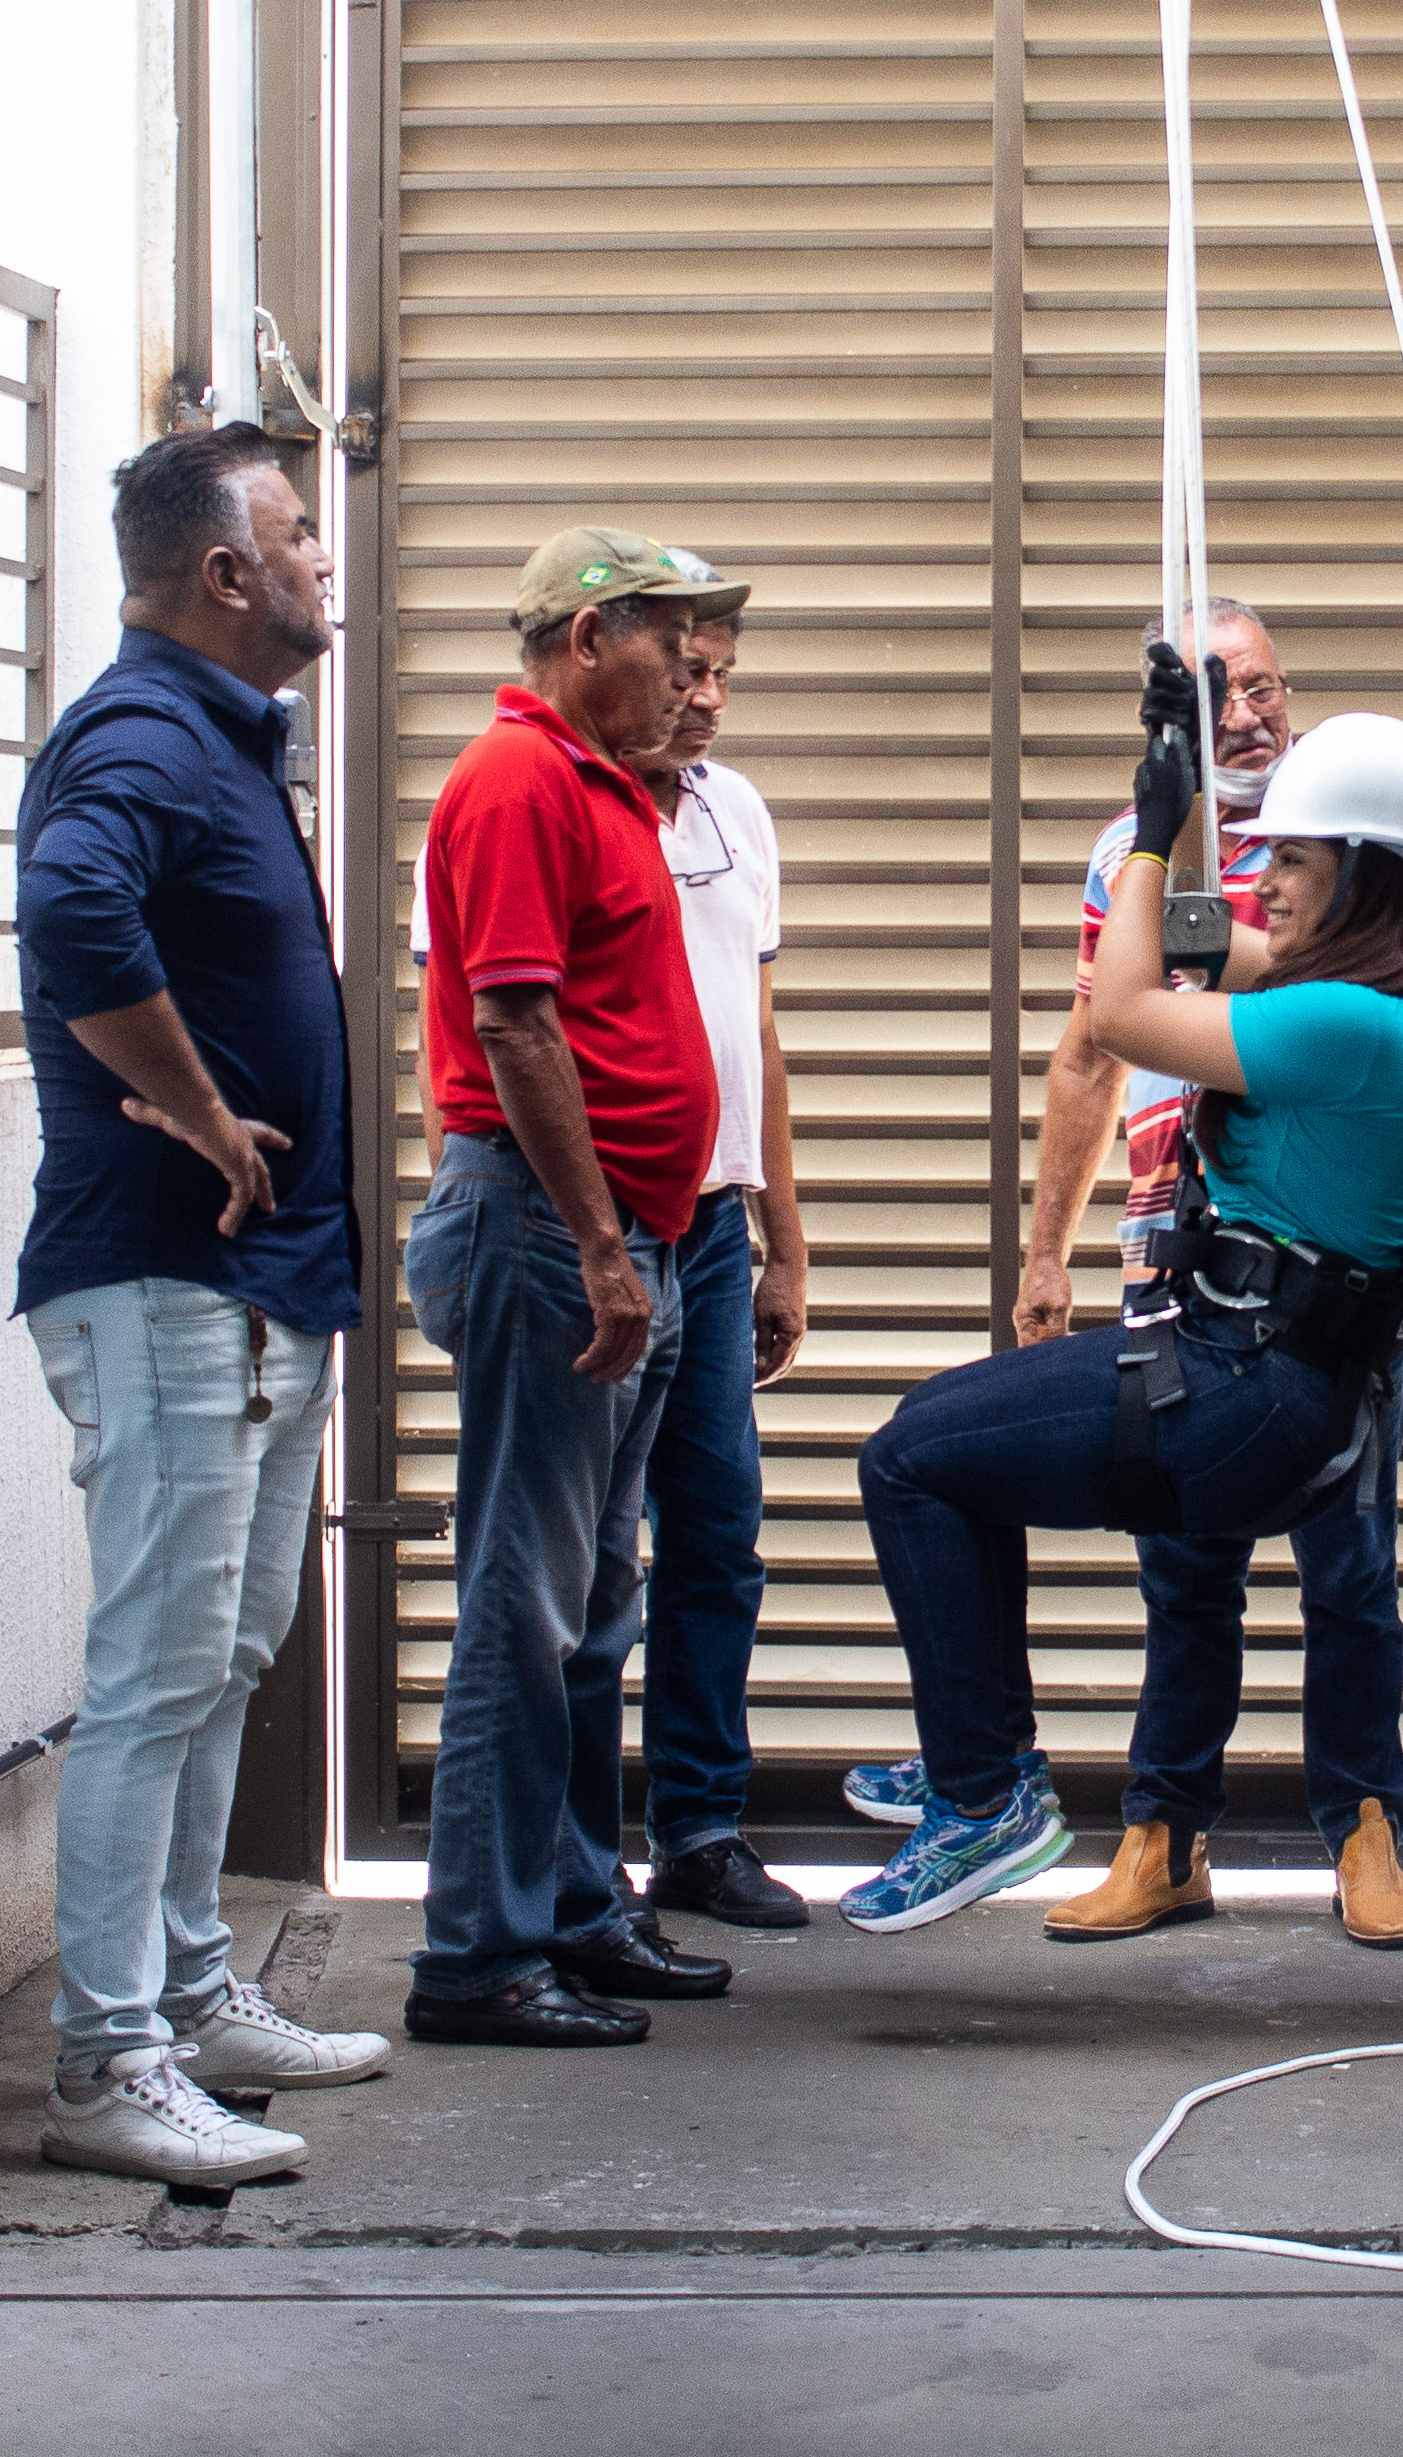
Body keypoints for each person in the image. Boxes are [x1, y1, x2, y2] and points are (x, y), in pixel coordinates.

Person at [841, 678, 1403, 1934]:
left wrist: (1145, 830)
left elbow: (1125, 1010)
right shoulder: (1383, 995)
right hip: (1247, 1364)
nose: (1262, 882)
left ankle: (985, 1789)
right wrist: (1177, 793)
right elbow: (1195, 933)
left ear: (1364, 872)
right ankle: (998, 1766)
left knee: (909, 1461)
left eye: (1290, 861)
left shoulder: (1349, 1022)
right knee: (931, 1434)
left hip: (1244, 1384)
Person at [12, 425, 387, 2188]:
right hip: (170, 1273)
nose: (324, 556)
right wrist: (202, 1108)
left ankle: (185, 1990)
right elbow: (72, 909)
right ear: (227, 570)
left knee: (226, 1653)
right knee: (155, 1670)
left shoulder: (220, 736)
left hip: (254, 1284)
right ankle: (106, 2064)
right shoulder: (144, 731)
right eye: (300, 532)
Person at [403, 530, 746, 2048]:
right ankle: (477, 1955)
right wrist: (603, 1244)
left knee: (596, 1606)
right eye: (669, 639)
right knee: (521, 1603)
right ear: (591, 633)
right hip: (554, 1234)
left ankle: (572, 1904)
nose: (690, 670)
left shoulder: (606, 785)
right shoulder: (517, 779)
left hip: (625, 1235)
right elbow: (516, 1024)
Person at [622, 569, 813, 1931]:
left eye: (725, 671)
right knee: (575, 1561)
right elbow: (474, 1042)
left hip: (707, 1230)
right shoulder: (543, 804)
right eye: (688, 666)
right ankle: (567, 1859)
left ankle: (697, 1828)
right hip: (594, 1230)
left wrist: (782, 1243)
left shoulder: (735, 810)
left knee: (717, 1538)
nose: (707, 695)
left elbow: (758, 1037)